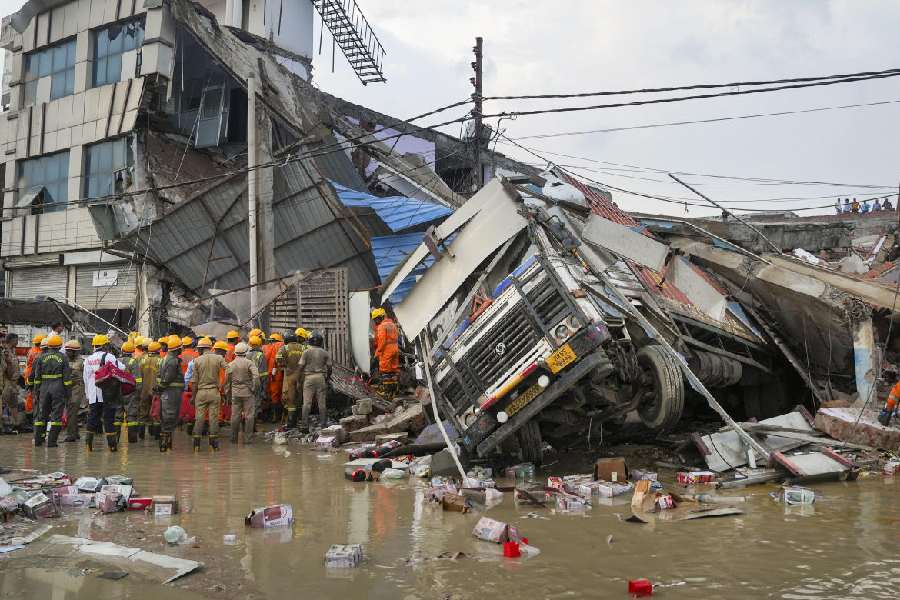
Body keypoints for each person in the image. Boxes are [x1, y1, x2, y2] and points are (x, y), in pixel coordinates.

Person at [83, 335, 125, 452]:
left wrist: (88, 394)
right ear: (105, 345)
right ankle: (112, 446)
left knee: (92, 418)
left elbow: (85, 378)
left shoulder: (88, 359)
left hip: (93, 394)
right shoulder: (109, 357)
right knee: (109, 418)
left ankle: (88, 445)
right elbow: (122, 368)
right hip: (107, 393)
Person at [32, 335, 71, 448]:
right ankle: (52, 442)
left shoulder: (41, 357)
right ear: (60, 346)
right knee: (56, 415)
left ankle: (38, 440)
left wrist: (36, 392)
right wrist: (69, 393)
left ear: (48, 345)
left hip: (44, 387)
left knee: (41, 414)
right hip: (58, 387)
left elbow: (37, 377)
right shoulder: (63, 357)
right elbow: (67, 379)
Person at [191, 338, 227, 451]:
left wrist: (193, 396)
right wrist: (222, 385)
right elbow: (229, 370)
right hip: (214, 392)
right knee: (213, 418)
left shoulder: (197, 361)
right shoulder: (219, 358)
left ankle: (196, 446)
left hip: (201, 393)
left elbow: (194, 382)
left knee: (199, 418)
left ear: (201, 349)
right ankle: (213, 445)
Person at [226, 342, 259, 444]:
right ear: (246, 352)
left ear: (235, 353)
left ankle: (233, 439)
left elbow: (227, 381)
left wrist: (227, 393)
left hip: (235, 393)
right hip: (248, 393)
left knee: (235, 416)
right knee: (249, 416)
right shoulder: (250, 363)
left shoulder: (230, 364)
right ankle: (248, 439)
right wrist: (254, 388)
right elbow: (256, 377)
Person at [155, 335, 184, 452]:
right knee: (170, 417)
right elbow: (168, 378)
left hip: (168, 392)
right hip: (171, 393)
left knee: (167, 417)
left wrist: (159, 388)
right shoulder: (173, 361)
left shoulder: (166, 358)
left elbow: (159, 377)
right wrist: (161, 388)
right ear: (177, 349)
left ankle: (167, 445)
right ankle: (164, 445)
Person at [299, 332, 332, 431]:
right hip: (320, 377)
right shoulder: (324, 352)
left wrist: (299, 379)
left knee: (306, 403)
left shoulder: (306, 352)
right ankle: (323, 424)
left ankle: (304, 426)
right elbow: (330, 367)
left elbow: (301, 367)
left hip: (308, 378)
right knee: (322, 403)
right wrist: (327, 377)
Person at [275, 331, 307, 430]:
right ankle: (300, 420)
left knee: (290, 400)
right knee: (300, 398)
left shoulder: (285, 348)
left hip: (289, 376)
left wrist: (284, 365)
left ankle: (291, 422)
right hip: (302, 376)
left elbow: (278, 358)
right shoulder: (303, 347)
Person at [372, 307, 400, 400]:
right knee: (393, 371)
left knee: (385, 372)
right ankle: (394, 392)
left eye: (376, 319)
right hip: (395, 350)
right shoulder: (392, 324)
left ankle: (386, 393)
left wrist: (378, 352)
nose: (376, 321)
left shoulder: (382, 326)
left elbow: (382, 342)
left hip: (386, 351)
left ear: (381, 317)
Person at [120, 340, 143, 444]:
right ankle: (132, 441)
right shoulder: (133, 362)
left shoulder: (116, 360)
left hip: (118, 392)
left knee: (117, 416)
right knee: (132, 416)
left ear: (122, 350)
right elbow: (138, 380)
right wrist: (138, 393)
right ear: (132, 351)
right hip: (131, 392)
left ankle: (114, 441)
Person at [62, 339, 85, 442]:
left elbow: (73, 369)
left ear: (75, 352)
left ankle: (71, 435)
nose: (67, 352)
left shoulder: (80, 361)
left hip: (76, 388)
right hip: (67, 388)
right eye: (66, 350)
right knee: (72, 411)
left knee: (71, 410)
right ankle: (75, 433)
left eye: (69, 351)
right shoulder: (65, 359)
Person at [141, 341, 163, 440]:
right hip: (156, 390)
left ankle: (141, 436)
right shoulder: (160, 360)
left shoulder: (142, 359)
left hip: (143, 390)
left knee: (143, 412)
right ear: (158, 350)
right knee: (156, 413)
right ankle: (156, 436)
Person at [1, 334, 22, 433]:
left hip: (13, 383)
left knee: (14, 405)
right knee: (3, 404)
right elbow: (5, 369)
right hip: (7, 382)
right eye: (16, 340)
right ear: (12, 340)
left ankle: (16, 425)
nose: (17, 342)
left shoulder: (13, 352)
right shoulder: (5, 352)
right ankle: (1, 426)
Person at [179, 336, 199, 435]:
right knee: (195, 408)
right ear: (192, 344)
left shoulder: (179, 356)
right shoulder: (196, 355)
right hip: (195, 384)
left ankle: (184, 425)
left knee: (184, 407)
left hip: (182, 384)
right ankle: (192, 427)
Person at [246, 335, 268, 423]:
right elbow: (263, 373)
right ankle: (253, 422)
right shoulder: (261, 355)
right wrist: (264, 388)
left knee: (248, 402)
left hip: (247, 382)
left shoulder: (246, 355)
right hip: (257, 381)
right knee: (256, 402)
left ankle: (247, 420)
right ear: (259, 344)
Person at [264, 332, 285, 422]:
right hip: (280, 374)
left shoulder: (266, 347)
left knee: (272, 394)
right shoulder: (282, 345)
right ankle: (280, 416)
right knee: (280, 394)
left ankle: (272, 416)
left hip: (270, 375)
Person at [23, 334, 44, 420]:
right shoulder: (38, 352)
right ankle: (30, 413)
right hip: (32, 374)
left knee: (30, 394)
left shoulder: (31, 350)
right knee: (32, 394)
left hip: (28, 373)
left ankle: (29, 411)